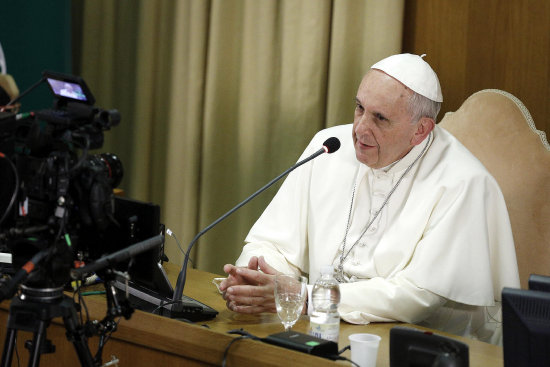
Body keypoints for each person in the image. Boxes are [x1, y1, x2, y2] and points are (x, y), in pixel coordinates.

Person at [219, 53, 520, 345]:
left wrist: (306, 297)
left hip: (420, 345)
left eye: (380, 118)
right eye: (359, 108)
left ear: (421, 130)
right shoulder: (328, 147)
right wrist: (253, 279)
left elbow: (417, 296)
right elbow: (274, 244)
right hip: (325, 329)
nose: (360, 129)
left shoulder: (463, 182)